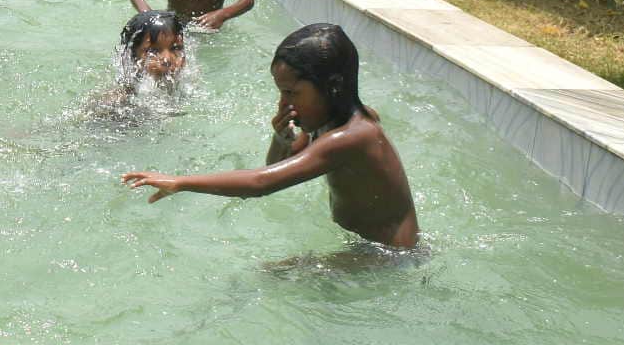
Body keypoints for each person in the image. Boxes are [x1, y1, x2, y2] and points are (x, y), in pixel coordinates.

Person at [121, 23, 418, 249]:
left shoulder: (353, 137)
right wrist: (281, 138)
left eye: (292, 92)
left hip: (388, 257)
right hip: (368, 246)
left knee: (273, 279)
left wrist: (181, 182)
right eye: (281, 92)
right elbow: (273, 167)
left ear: (333, 86)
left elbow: (261, 183)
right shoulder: (330, 123)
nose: (285, 102)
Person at [86, 10, 187, 119]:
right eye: (153, 51)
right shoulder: (114, 103)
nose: (167, 59)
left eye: (176, 48)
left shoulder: (186, 88)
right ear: (131, 58)